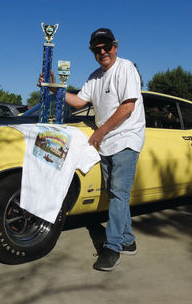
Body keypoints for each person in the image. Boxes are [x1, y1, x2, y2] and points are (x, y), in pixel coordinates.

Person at [38, 28, 145, 271]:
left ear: (115, 46)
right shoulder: (95, 76)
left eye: (106, 46)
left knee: (118, 193)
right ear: (93, 52)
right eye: (97, 49)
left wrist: (100, 131)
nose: (103, 52)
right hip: (106, 141)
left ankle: (113, 246)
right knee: (116, 193)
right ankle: (128, 241)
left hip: (126, 139)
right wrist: (54, 89)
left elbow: (128, 107)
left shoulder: (126, 68)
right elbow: (80, 101)